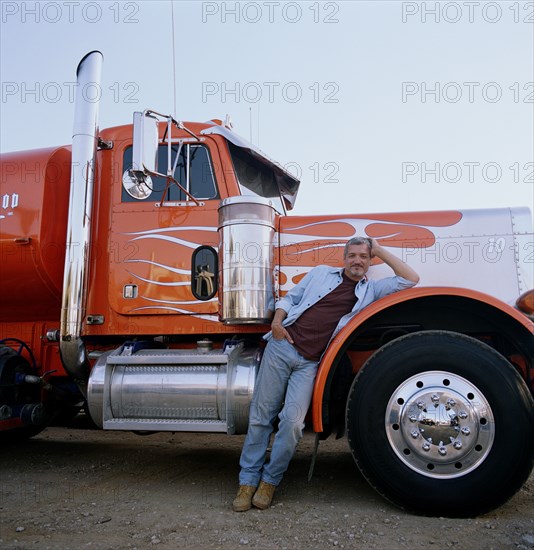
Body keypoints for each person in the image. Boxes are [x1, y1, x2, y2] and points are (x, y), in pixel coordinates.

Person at [232, 236, 420, 512]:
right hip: (282, 348)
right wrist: (276, 323)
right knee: (261, 417)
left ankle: (270, 480)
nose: (358, 260)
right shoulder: (321, 273)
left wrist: (379, 249)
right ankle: (247, 482)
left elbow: (410, 279)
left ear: (370, 262)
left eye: (364, 257)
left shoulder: (371, 291)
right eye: (353, 255)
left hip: (310, 363)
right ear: (344, 258)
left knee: (293, 423)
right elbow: (290, 298)